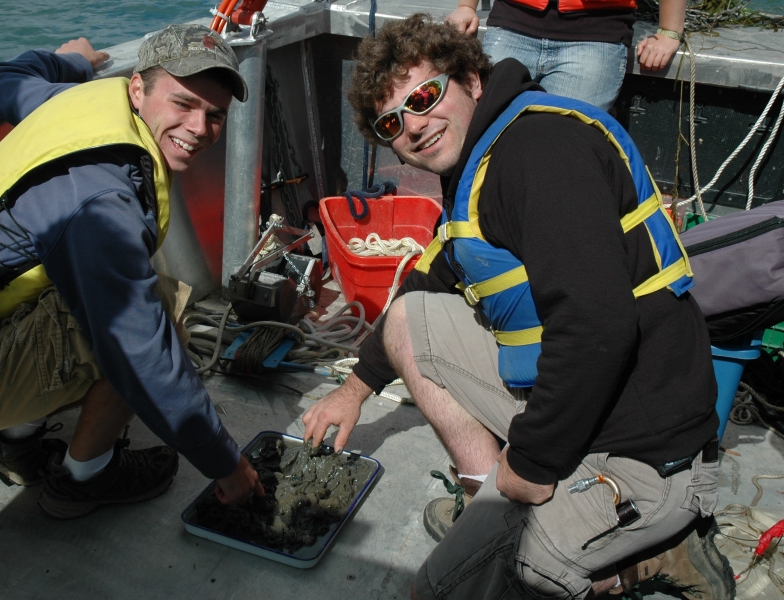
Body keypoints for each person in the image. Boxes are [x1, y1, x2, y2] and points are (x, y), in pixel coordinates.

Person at [302, 14, 733, 600]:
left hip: (644, 452)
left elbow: (597, 326)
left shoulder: (538, 152)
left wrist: (529, 467)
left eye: (425, 96)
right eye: (390, 122)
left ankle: (646, 556)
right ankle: (489, 500)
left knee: (447, 588)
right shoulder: (482, 157)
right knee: (410, 319)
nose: (414, 126)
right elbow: (432, 274)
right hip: (582, 410)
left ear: (472, 79)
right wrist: (354, 388)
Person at [0, 24, 264, 519]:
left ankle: (14, 439)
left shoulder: (70, 105)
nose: (199, 128)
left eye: (215, 116)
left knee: (133, 303)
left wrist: (74, 62)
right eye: (183, 104)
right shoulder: (99, 202)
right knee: (159, 325)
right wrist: (226, 464)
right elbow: (143, 357)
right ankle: (85, 478)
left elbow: (5, 75)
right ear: (136, 89)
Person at [446, 0, 686, 111]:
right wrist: (466, 6)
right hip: (512, 25)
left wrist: (670, 31)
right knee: (486, 133)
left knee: (563, 144)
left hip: (595, 37)